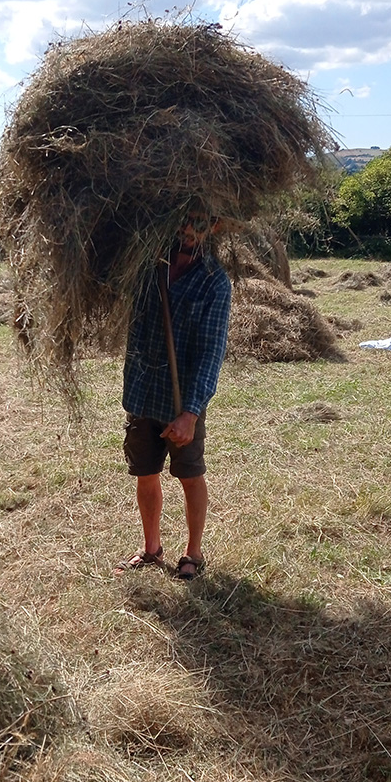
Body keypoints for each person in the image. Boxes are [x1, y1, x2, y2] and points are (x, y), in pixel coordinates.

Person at [114, 212, 231, 580]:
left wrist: (191, 414)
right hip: (142, 390)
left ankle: (193, 554)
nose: (188, 229)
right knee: (145, 473)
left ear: (214, 226)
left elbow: (211, 353)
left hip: (181, 403)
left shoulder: (215, 282)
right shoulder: (147, 264)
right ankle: (151, 549)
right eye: (183, 219)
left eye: (198, 222)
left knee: (190, 474)